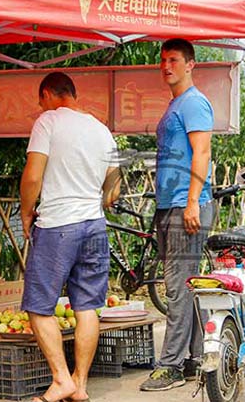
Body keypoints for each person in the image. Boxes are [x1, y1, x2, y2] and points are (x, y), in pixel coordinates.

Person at [20, 72, 121, 402]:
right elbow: (114, 188)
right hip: (94, 225)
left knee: (38, 306)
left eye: (40, 100)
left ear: (48, 94)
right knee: (87, 306)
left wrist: (25, 212)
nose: (41, 106)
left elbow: (33, 176)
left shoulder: (48, 121)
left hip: (57, 226)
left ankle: (61, 379)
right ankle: (80, 384)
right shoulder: (101, 130)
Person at [140, 38, 215, 391]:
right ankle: (196, 360)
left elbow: (202, 153)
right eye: (163, 61)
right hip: (170, 204)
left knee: (176, 286)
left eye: (173, 60)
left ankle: (169, 365)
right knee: (185, 285)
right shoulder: (176, 104)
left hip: (187, 204)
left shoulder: (195, 103)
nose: (166, 66)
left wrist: (191, 202)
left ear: (190, 64)